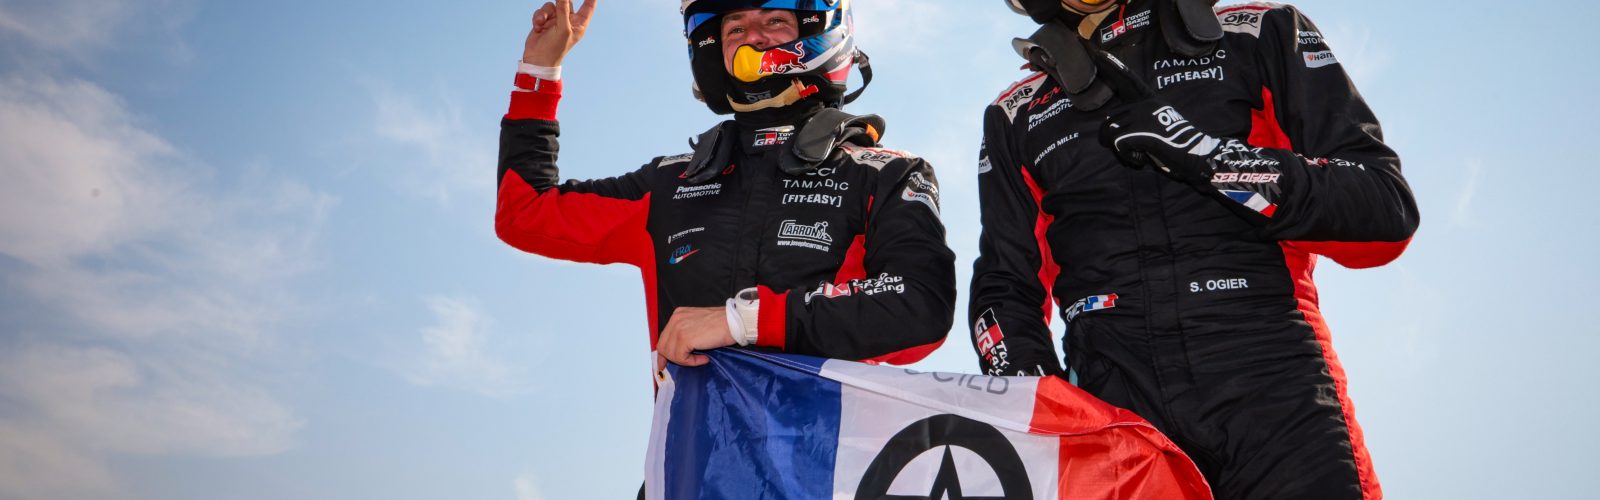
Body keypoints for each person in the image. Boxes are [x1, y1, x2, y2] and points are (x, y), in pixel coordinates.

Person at [970, 0, 1418, 498]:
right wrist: (1044, 416)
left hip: (1273, 385)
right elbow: (1003, 293)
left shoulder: (1257, 31)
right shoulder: (1015, 113)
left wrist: (1209, 156)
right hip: (1114, 415)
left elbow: (1384, 211)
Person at [497, 0, 954, 378]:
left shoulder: (885, 173)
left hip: (829, 453)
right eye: (734, 28)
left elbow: (921, 307)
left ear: (819, 29)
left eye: (774, 20)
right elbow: (524, 211)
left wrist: (744, 321)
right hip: (694, 455)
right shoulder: (671, 183)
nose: (753, 37)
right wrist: (540, 70)